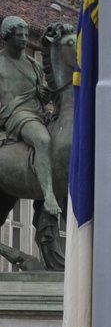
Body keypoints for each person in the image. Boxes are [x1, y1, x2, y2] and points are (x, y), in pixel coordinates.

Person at [0, 15, 60, 215]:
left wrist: (44, 94)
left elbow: (40, 95)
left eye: (26, 34)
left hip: (39, 112)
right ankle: (49, 195)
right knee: (42, 140)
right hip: (17, 114)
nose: (25, 38)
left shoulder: (34, 64)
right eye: (20, 35)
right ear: (7, 37)